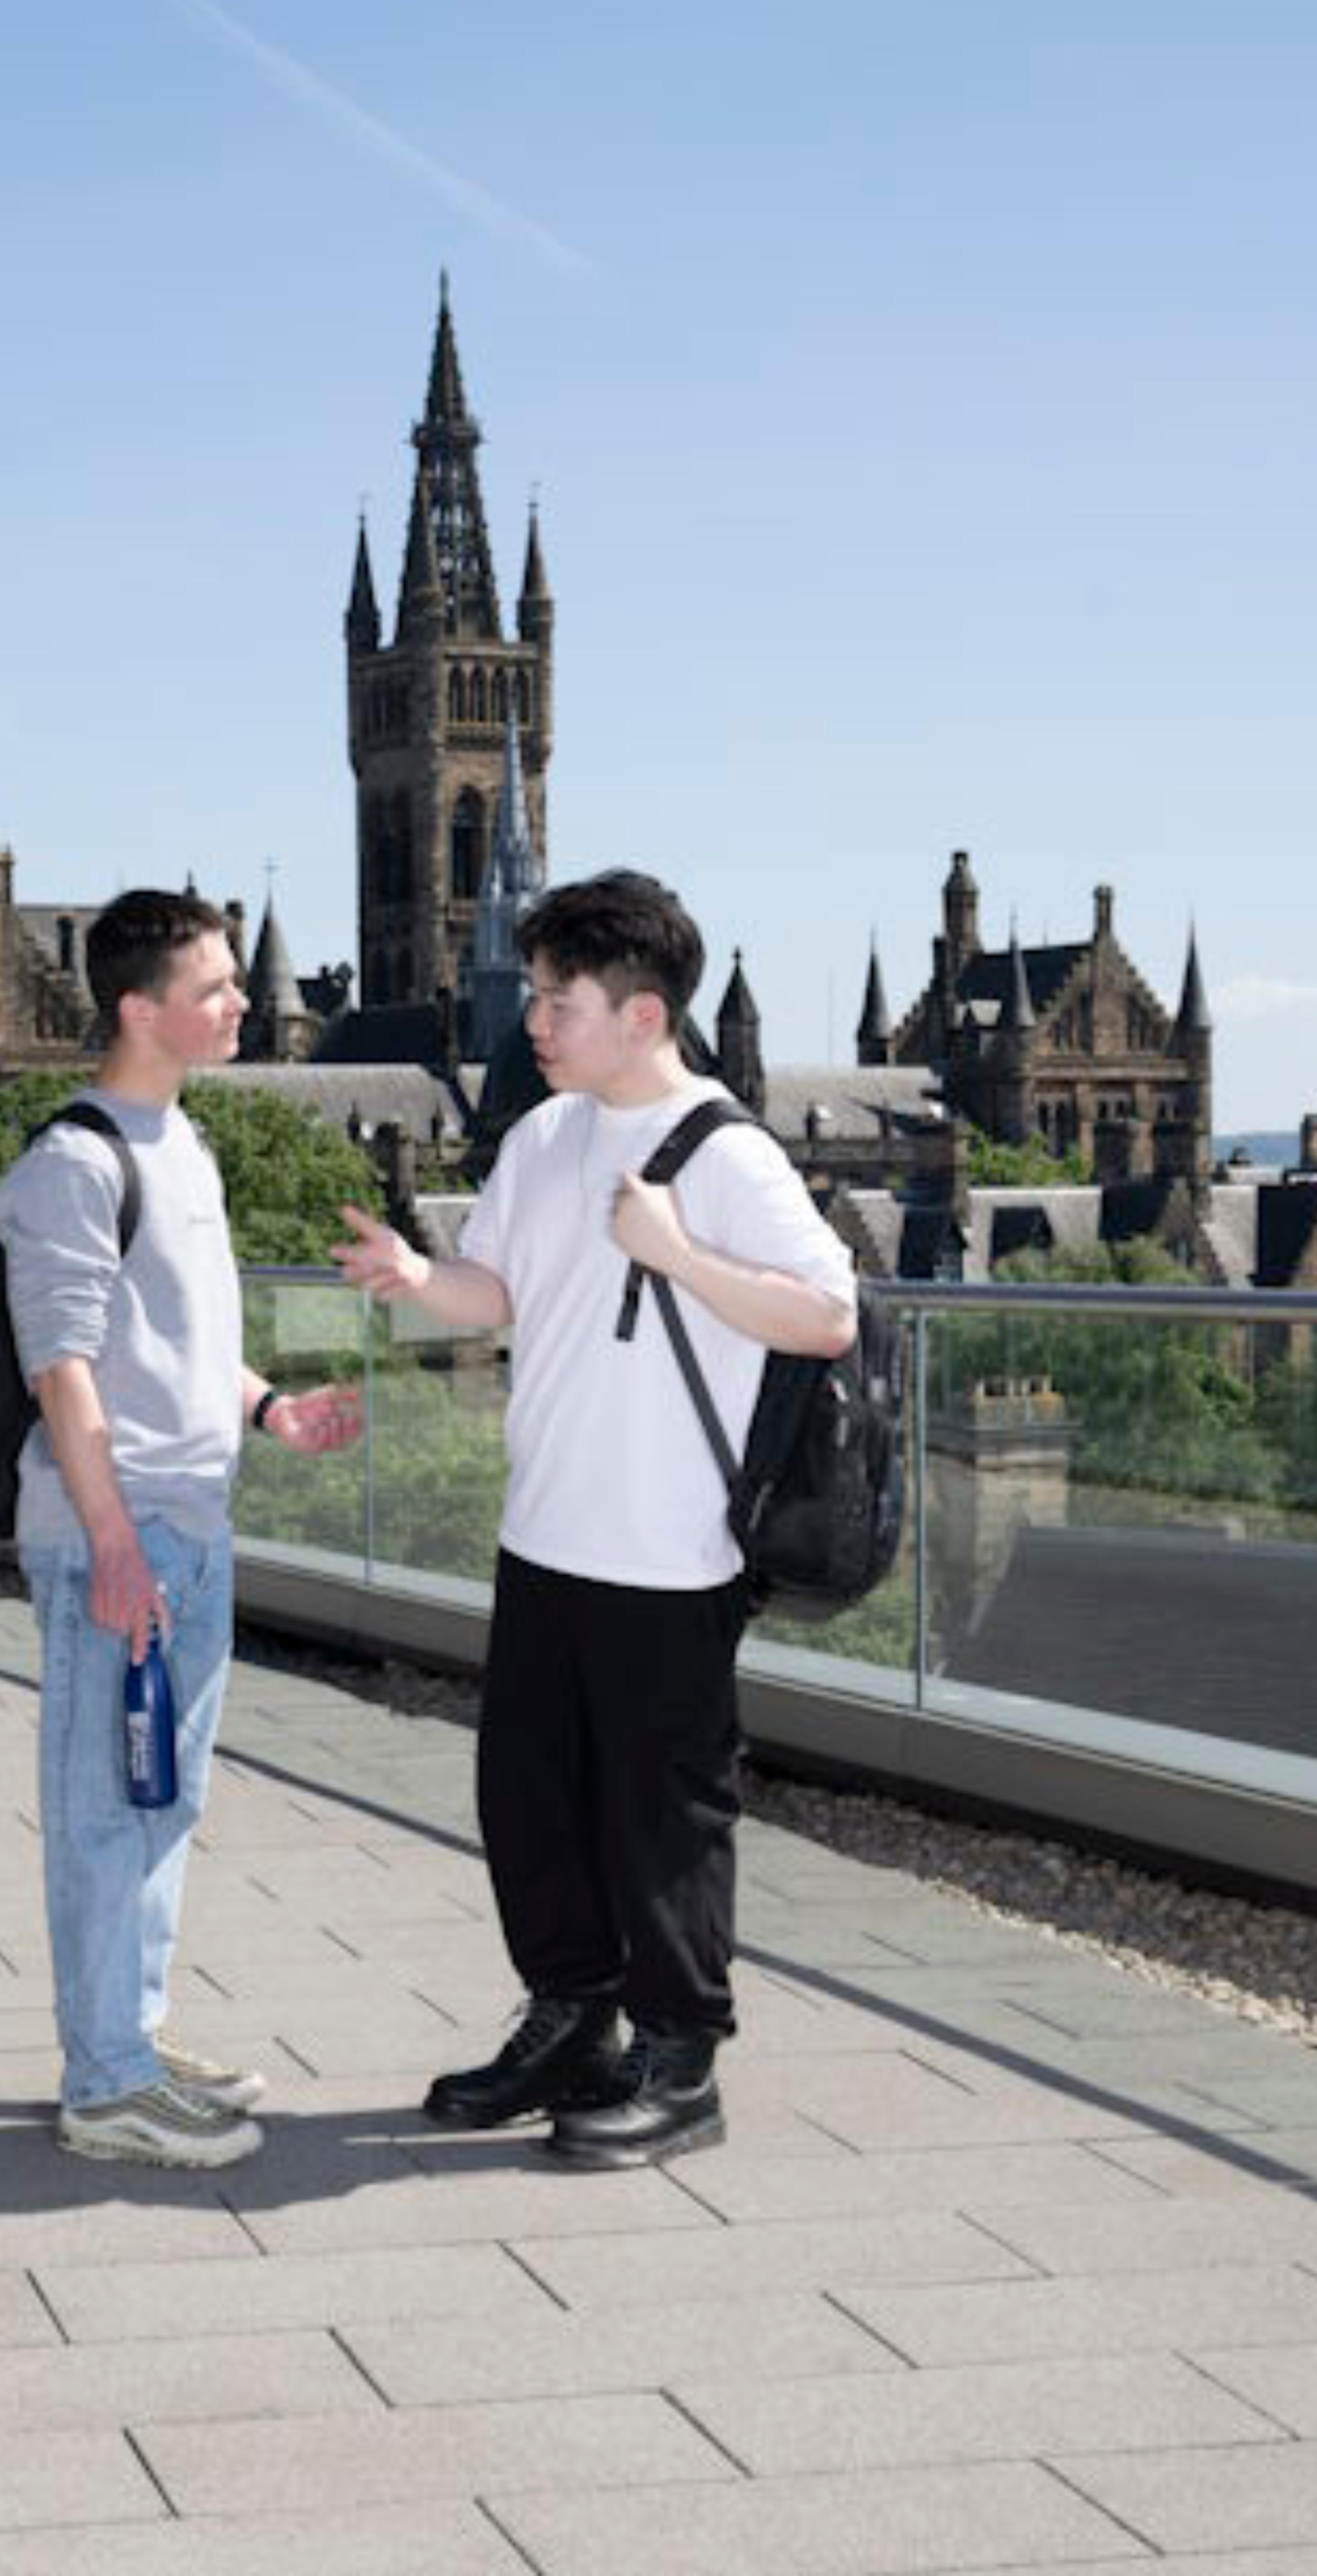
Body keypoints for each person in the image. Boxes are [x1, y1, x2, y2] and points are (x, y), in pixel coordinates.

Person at [331, 869, 853, 2167]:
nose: (535, 1023)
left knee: (663, 1818)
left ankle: (680, 2062)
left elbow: (829, 1314)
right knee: (530, 1801)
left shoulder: (727, 1152)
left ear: (642, 1012)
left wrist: (679, 1254)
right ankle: (572, 2020)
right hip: (545, 1535)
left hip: (672, 1554)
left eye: (559, 1000)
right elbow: (497, 1289)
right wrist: (412, 1277)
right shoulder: (544, 1138)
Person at [0, 887, 361, 2169]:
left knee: (162, 1797)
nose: (242, 1003)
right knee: (105, 1804)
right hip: (126, 1530)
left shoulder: (185, 1148)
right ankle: (104, 2083)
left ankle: (132, 2035)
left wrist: (270, 1411)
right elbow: (66, 1369)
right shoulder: (73, 1166)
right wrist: (111, 1543)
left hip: (191, 1518)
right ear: (140, 1009)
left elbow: (183, 1348)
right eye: (216, 989)